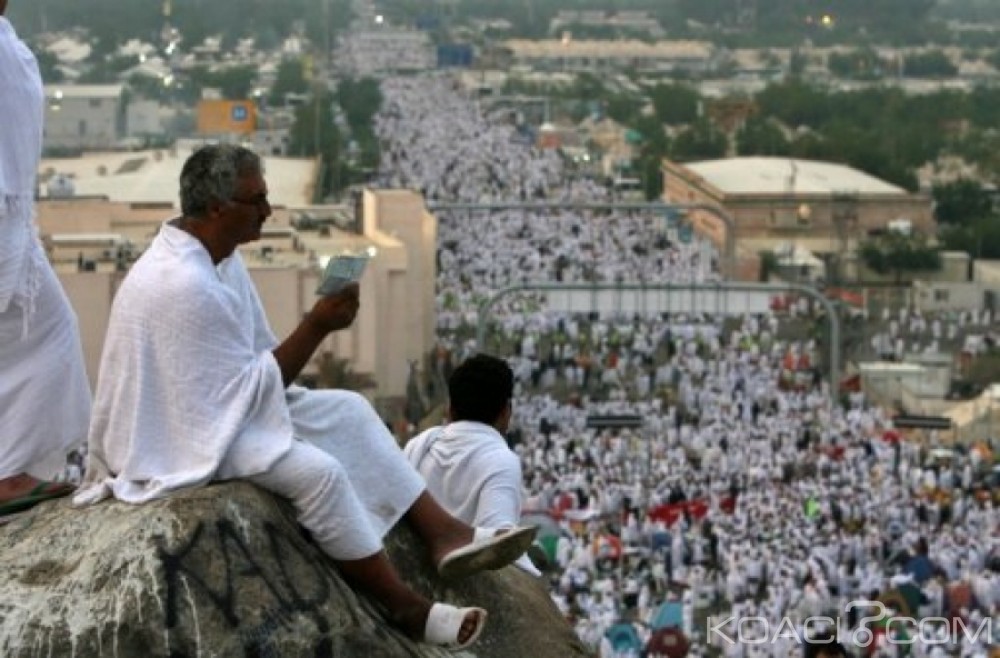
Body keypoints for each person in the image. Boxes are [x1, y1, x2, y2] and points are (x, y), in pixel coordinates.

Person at [73, 144, 535, 650]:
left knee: (352, 411)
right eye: (257, 200)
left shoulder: (218, 260)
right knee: (319, 475)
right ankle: (405, 605)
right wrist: (318, 325)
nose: (268, 212)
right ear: (216, 208)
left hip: (221, 404)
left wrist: (303, 360)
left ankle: (444, 533)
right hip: (180, 434)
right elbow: (242, 394)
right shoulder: (183, 282)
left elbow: (253, 370)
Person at [0, 0, 91, 518]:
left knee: (47, 335)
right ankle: (9, 468)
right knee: (53, 333)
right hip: (5, 219)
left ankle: (14, 464)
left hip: (12, 218)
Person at [405, 353, 541, 576]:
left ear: (450, 409)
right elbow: (497, 541)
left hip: (413, 570)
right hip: (465, 583)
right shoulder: (501, 459)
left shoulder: (420, 444)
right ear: (506, 412)